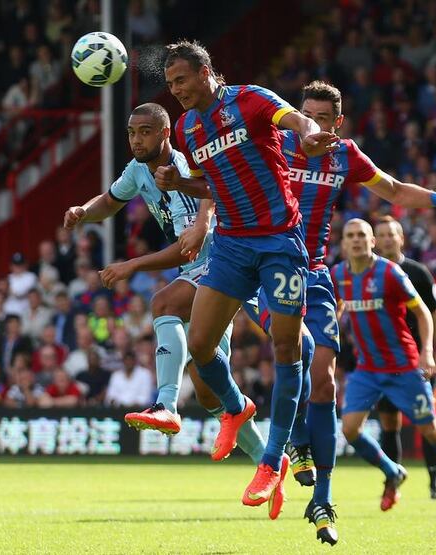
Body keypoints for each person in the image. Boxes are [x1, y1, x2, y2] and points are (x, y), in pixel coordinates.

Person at [188, 80, 436, 543]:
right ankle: (285, 445)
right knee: (290, 348)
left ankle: (320, 492)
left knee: (321, 374)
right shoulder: (274, 139)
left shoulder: (345, 155)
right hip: (260, 259)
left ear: (336, 123)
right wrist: (202, 217)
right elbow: (221, 174)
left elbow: (396, 191)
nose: (314, 125)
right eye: (308, 115)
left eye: (323, 119)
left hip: (314, 271)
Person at [154, 41, 337, 518]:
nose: (176, 91)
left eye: (182, 80)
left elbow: (297, 121)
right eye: (170, 84)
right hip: (232, 246)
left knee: (285, 348)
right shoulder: (189, 127)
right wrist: (180, 186)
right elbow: (208, 183)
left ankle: (273, 460)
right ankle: (236, 409)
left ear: (206, 71)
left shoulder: (250, 99)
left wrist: (312, 132)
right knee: (200, 347)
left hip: (279, 242)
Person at [63, 103, 267, 467]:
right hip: (199, 270)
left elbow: (189, 247)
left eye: (144, 131)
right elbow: (110, 201)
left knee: (163, 303)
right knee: (209, 391)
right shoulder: (138, 169)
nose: (136, 139)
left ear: (164, 133)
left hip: (221, 262)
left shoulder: (181, 172)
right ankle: (269, 459)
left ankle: (166, 404)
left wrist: (131, 265)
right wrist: (83, 210)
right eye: (131, 132)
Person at [332, 219, 436, 517]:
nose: (356, 240)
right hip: (367, 369)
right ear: (344, 243)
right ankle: (392, 471)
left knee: (431, 429)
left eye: (362, 235)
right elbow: (337, 308)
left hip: (403, 367)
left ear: (372, 241)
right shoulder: (338, 275)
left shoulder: (389, 273)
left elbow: (424, 312)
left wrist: (429, 352)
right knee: (349, 429)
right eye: (350, 236)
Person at [374, 215, 436, 500]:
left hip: (417, 360)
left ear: (401, 238)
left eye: (391, 234)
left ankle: (435, 483)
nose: (386, 239)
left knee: (426, 422)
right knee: (389, 422)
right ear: (375, 240)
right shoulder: (369, 273)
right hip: (382, 362)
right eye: (381, 234)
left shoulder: (418, 273)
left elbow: (434, 314)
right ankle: (392, 482)